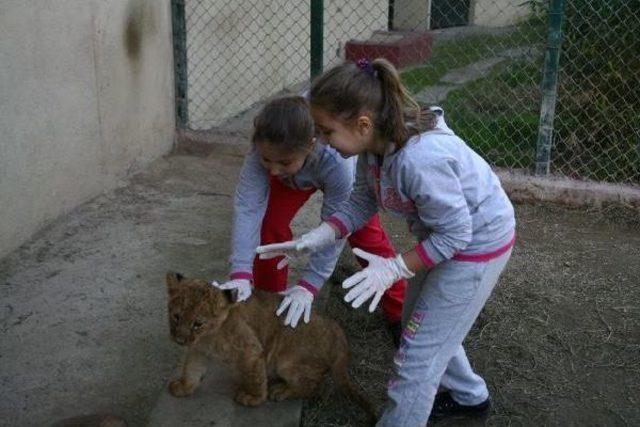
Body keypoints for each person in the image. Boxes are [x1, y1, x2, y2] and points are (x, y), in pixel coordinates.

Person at [256, 59, 516, 425]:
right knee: (417, 322)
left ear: (363, 124)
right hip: (446, 238)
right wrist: (319, 236)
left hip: (476, 247)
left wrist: (394, 268)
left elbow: (458, 235)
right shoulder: (373, 147)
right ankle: (470, 399)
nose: (320, 142)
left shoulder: (419, 160)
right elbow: (364, 199)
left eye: (326, 131)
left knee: (415, 359)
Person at [216, 96, 406, 344]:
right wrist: (240, 272)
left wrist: (310, 284)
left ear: (311, 144)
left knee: (366, 241)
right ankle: (268, 306)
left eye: (283, 161)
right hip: (294, 175)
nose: (272, 170)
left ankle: (400, 315)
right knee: (268, 226)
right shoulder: (266, 150)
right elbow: (248, 208)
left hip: (338, 182)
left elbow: (338, 227)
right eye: (266, 160)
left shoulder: (339, 162)